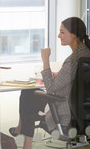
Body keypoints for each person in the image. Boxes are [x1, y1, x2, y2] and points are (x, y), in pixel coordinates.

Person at [9, 17, 90, 149]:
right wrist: (62, 75)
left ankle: (25, 142)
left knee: (27, 95)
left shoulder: (73, 60)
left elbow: (50, 88)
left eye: (62, 32)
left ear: (74, 34)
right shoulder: (86, 53)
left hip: (68, 117)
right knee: (29, 95)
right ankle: (21, 133)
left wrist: (45, 60)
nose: (59, 36)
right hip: (84, 114)